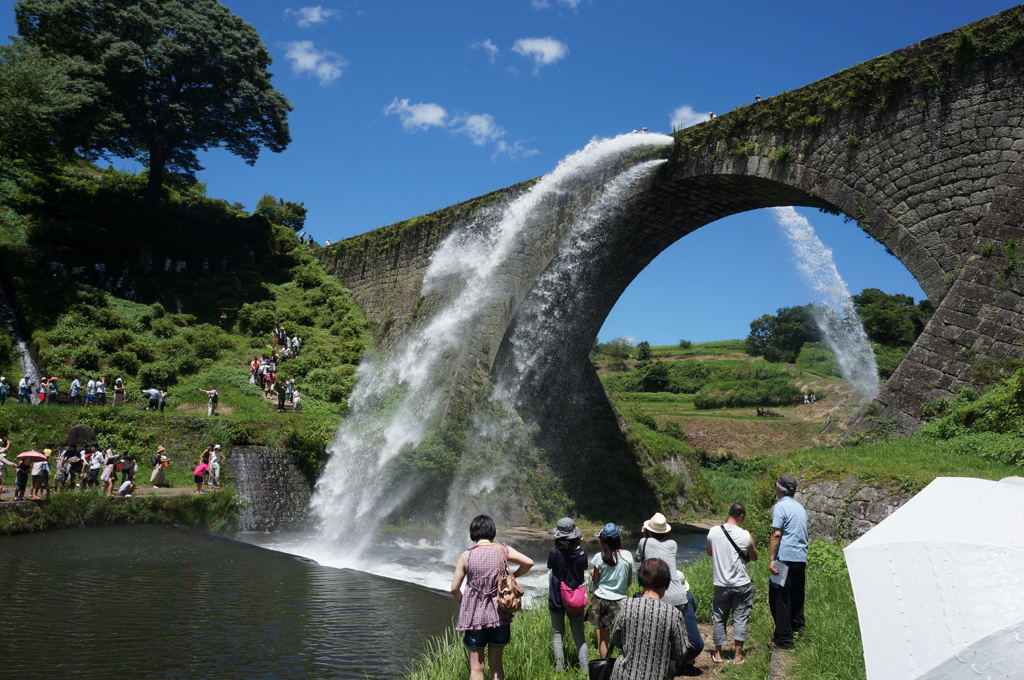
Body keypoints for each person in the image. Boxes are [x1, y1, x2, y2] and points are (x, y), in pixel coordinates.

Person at [450, 514, 534, 680]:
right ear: (492, 531)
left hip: (474, 618)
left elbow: (454, 588)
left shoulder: (466, 556)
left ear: (473, 533)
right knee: (496, 667)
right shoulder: (503, 550)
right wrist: (513, 577)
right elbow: (529, 563)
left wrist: (464, 602)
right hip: (499, 615)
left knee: (476, 669)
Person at [635, 512, 704, 669]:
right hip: (680, 597)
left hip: (659, 597)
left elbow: (638, 559)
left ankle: (661, 663)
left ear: (648, 530)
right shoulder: (673, 544)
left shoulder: (644, 542)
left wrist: (645, 535)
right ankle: (679, 659)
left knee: (657, 634)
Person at [609, 558, 688, 680]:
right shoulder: (673, 614)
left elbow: (615, 638)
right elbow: (680, 653)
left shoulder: (625, 605)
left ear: (640, 581)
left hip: (622, 675)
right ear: (666, 583)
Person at [706, 502, 758, 663]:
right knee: (740, 618)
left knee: (719, 617)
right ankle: (737, 656)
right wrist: (751, 547)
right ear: (741, 516)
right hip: (741, 584)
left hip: (721, 584)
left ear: (729, 513)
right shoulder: (745, 535)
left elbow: (709, 552)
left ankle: (718, 654)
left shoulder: (713, 531)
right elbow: (754, 557)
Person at [769, 474, 809, 649]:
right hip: (800, 557)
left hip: (784, 557)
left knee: (780, 597)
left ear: (779, 488)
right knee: (797, 596)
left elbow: (776, 534)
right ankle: (798, 630)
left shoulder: (781, 506)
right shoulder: (800, 507)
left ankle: (783, 639)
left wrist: (771, 559)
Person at [547, 517, 589, 672]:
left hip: (557, 598)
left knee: (558, 635)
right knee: (579, 636)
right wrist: (578, 545)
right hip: (575, 599)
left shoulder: (554, 552)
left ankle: (560, 670)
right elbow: (583, 566)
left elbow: (551, 566)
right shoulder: (583, 551)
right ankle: (585, 670)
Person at [587, 522, 632, 659]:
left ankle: (604, 668)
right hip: (620, 600)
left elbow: (595, 582)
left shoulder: (599, 557)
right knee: (624, 638)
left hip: (601, 599)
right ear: (618, 539)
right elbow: (628, 581)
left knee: (603, 640)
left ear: (603, 541)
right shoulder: (628, 555)